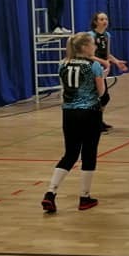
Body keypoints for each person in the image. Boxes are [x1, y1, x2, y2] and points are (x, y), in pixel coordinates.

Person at [40, 33, 106, 214]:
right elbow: (101, 92)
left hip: (69, 113)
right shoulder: (94, 65)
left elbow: (71, 86)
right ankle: (84, 197)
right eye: (92, 44)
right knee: (89, 154)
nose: (95, 47)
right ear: (84, 47)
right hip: (90, 113)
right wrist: (101, 77)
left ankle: (50, 193)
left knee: (70, 154)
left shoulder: (63, 63)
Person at [88, 12, 128, 133]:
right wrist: (104, 63)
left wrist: (116, 62)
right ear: (95, 22)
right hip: (92, 68)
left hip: (102, 69)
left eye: (106, 19)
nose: (105, 21)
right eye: (101, 19)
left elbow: (107, 54)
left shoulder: (107, 35)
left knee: (104, 98)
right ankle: (94, 123)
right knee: (99, 97)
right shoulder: (90, 35)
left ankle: (98, 120)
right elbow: (88, 55)